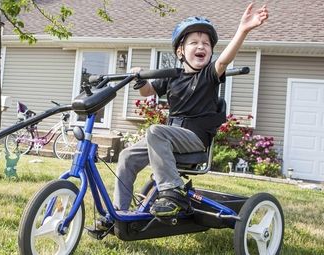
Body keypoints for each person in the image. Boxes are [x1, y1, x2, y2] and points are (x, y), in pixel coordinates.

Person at [113, 3, 269, 217]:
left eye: (206, 43)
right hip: (169, 137)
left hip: (194, 138)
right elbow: (148, 91)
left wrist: (242, 30)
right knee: (127, 156)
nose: (201, 46)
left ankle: (172, 192)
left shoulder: (208, 75)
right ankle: (120, 213)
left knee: (155, 131)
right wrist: (139, 79)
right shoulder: (172, 76)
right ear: (180, 51)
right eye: (194, 42)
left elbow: (224, 60)